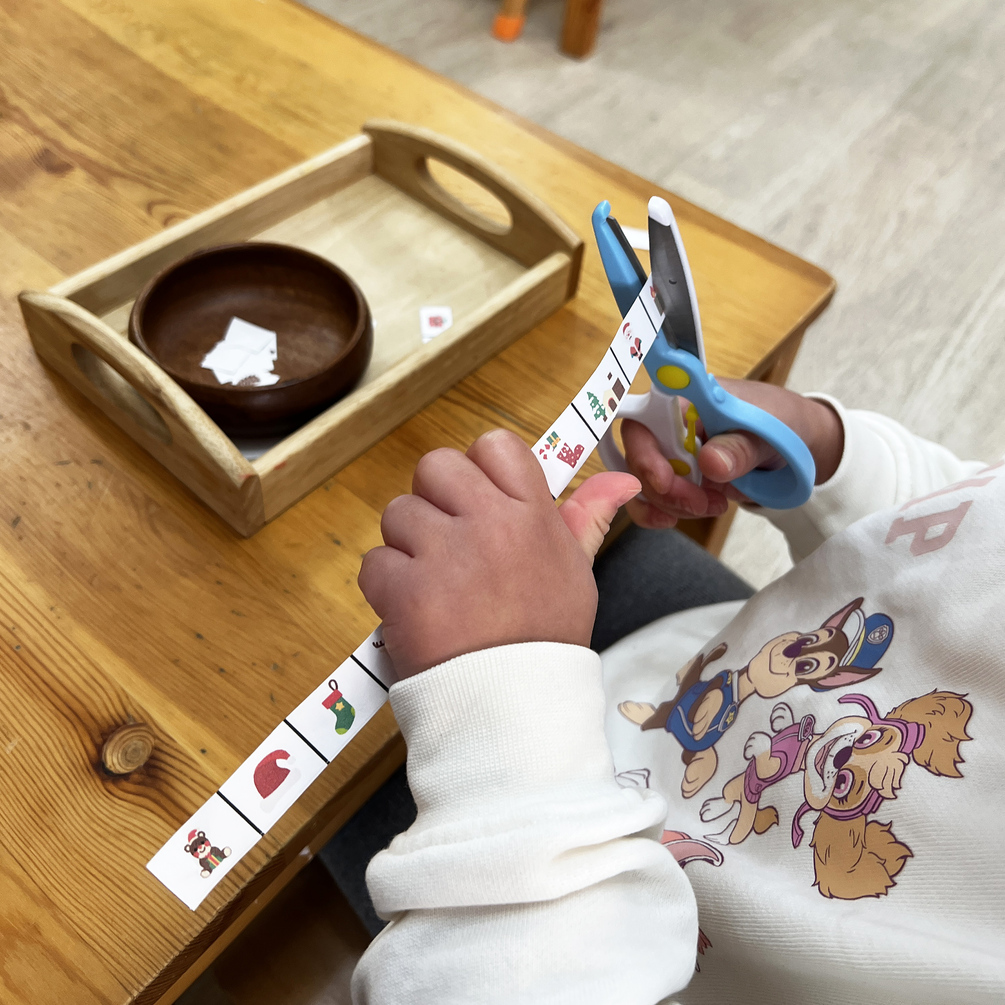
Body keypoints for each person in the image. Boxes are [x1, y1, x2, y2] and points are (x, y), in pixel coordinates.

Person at [336, 379, 1004, 1004]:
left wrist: (501, 699)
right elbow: (966, 528)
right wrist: (830, 457)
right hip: (680, 654)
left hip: (542, 901)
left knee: (319, 732)